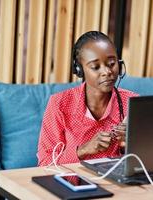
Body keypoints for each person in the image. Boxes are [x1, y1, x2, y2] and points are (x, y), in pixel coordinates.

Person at [37, 31, 138, 166]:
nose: (107, 72)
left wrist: (128, 145)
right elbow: (45, 163)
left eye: (112, 63)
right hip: (70, 185)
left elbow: (146, 160)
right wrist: (83, 150)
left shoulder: (132, 102)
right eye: (95, 67)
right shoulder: (59, 104)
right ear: (80, 70)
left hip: (115, 185)